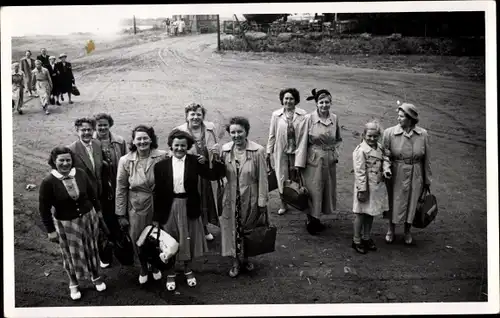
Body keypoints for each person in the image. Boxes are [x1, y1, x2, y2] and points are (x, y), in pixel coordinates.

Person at [153, 129, 225, 291]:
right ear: (171, 146)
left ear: (188, 146)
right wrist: (157, 217)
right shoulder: (161, 166)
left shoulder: (195, 161)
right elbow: (158, 193)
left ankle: (187, 269)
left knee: (188, 239)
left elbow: (213, 175)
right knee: (171, 241)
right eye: (176, 145)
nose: (179, 148)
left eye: (183, 146)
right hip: (169, 207)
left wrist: (216, 158)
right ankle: (171, 273)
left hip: (189, 205)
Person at [38, 146, 107, 301]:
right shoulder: (48, 182)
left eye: (68, 160)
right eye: (61, 160)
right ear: (54, 161)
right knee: (71, 254)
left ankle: (95, 276)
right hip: (66, 224)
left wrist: (98, 211)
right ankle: (74, 282)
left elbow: (92, 195)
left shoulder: (80, 174)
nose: (65, 163)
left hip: (88, 218)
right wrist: (50, 230)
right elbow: (44, 209)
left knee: (91, 248)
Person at [115, 125, 168, 284]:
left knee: (158, 238)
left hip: (158, 205)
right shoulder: (125, 160)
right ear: (133, 141)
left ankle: (156, 265)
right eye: (139, 138)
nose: (142, 141)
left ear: (151, 139)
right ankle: (143, 266)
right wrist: (120, 214)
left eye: (146, 138)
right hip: (137, 207)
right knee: (139, 238)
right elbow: (121, 187)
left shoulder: (162, 156)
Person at [219, 117, 269, 278]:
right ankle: (235, 261)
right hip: (231, 197)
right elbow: (218, 174)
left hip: (250, 196)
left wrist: (262, 201)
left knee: (248, 229)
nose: (236, 135)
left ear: (246, 131)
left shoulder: (258, 151)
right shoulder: (225, 150)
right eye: (232, 132)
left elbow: (263, 178)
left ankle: (246, 258)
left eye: (239, 131)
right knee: (232, 229)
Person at [382, 102, 432, 245]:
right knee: (394, 201)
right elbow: (385, 156)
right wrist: (386, 169)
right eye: (398, 116)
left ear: (410, 118)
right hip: (396, 171)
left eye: (402, 117)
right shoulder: (389, 133)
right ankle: (391, 229)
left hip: (416, 172)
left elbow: (427, 159)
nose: (398, 119)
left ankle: (407, 231)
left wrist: (427, 179)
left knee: (412, 202)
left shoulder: (423, 134)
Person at [295, 89, 343, 235]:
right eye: (321, 102)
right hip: (313, 160)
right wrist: (299, 163)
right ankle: (311, 220)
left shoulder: (334, 118)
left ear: (331, 103)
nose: (324, 105)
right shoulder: (308, 119)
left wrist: (335, 154)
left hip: (328, 159)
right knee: (312, 190)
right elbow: (302, 141)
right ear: (316, 104)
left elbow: (338, 139)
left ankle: (318, 218)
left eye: (327, 102)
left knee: (325, 189)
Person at [175, 103, 220, 241]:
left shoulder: (210, 129)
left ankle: (204, 227)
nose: (195, 117)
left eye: (199, 114)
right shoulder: (179, 131)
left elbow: (215, 148)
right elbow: (174, 152)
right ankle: (189, 229)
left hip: (205, 173)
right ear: (187, 116)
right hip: (188, 173)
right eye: (192, 114)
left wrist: (209, 155)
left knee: (205, 200)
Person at [93, 113, 128, 267]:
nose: (102, 127)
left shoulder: (119, 141)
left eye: (105, 124)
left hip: (117, 187)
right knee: (101, 222)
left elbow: (126, 163)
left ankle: (122, 251)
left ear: (110, 125)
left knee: (118, 219)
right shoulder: (90, 142)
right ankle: (104, 254)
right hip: (99, 190)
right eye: (99, 125)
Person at [352, 120, 392, 254]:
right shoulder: (361, 150)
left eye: (375, 136)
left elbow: (386, 158)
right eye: (369, 136)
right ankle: (356, 239)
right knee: (360, 214)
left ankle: (366, 237)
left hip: (376, 186)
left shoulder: (379, 147)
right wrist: (362, 190)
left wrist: (386, 169)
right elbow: (359, 172)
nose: (372, 139)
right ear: (364, 135)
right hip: (365, 186)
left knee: (371, 212)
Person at [266, 88, 307, 215]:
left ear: (296, 100)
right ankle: (283, 203)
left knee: (299, 176)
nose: (288, 101)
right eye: (286, 98)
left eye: (291, 99)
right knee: (281, 176)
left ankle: (299, 200)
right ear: (282, 100)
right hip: (281, 150)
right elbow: (272, 134)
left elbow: (306, 135)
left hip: (297, 150)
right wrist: (269, 151)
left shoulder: (303, 114)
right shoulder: (276, 115)